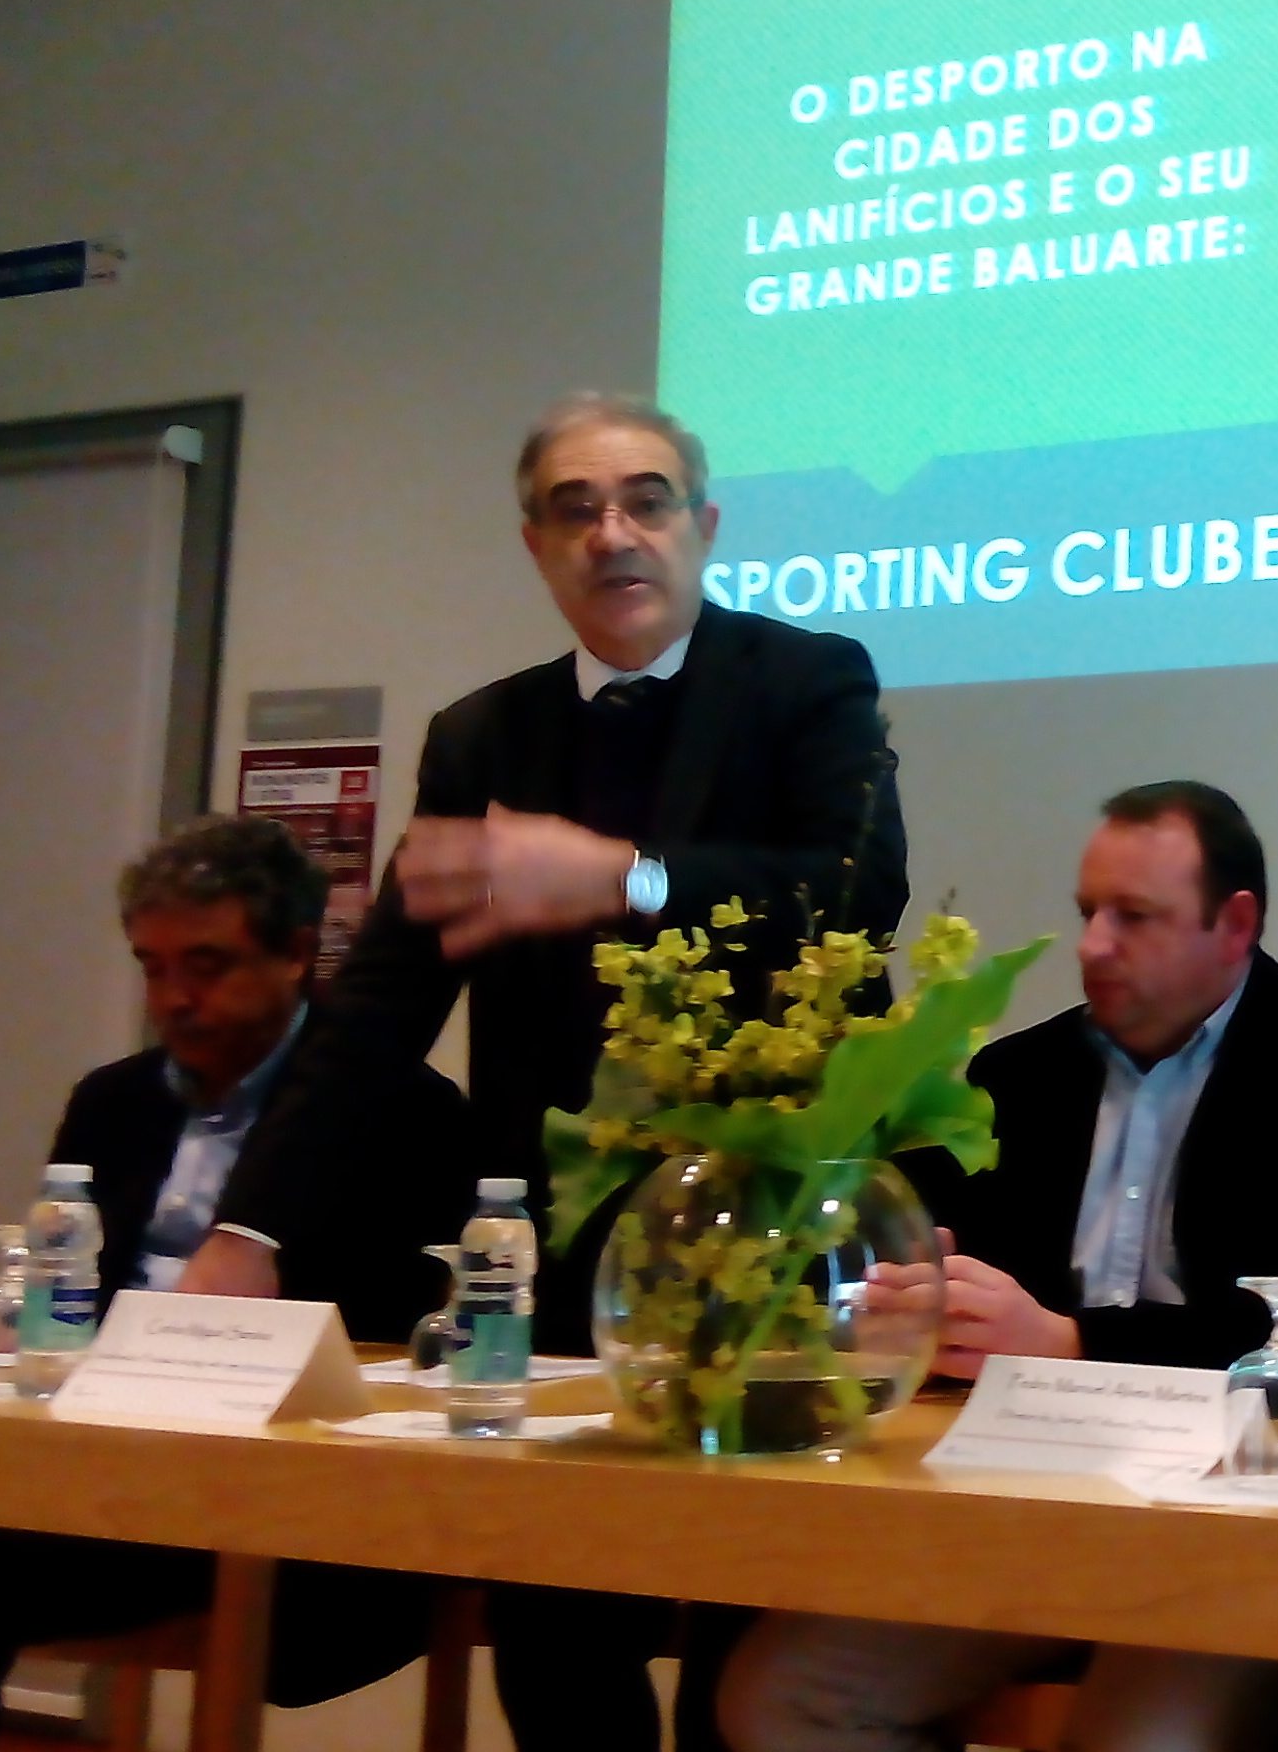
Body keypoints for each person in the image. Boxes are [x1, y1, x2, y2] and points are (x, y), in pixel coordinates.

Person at [175, 392, 909, 1752]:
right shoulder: (482, 739)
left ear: (706, 527)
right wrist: (250, 1227)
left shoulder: (804, 681)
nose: (612, 533)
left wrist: (620, 877)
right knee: (558, 1641)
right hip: (556, 1255)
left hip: (763, 1244)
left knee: (739, 1655)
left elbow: (857, 893)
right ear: (533, 544)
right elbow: (382, 1006)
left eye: (644, 500)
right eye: (575, 509)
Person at [716, 781, 1278, 1752]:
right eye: (1088, 913)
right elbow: (929, 1270)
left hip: (1237, 1529)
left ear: (1235, 924)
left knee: (1134, 1739)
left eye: (1134, 917)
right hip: (1022, 1508)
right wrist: (909, 1306)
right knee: (776, 1699)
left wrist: (1068, 1341)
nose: (1092, 946)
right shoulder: (1018, 1078)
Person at [0, 818, 465, 1752]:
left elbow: (403, 1343)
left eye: (206, 964)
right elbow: (64, 1294)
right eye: (153, 968)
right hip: (102, 1462)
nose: (175, 999)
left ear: (292, 955)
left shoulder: (400, 1108)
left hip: (278, 1488)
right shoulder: (112, 1102)